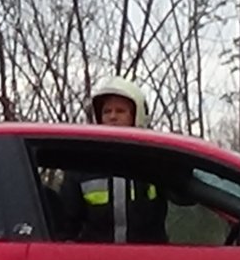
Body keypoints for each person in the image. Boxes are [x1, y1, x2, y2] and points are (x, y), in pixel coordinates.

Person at [56, 76, 170, 244]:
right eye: (107, 111)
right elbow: (67, 222)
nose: (113, 117)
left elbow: (184, 198)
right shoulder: (82, 165)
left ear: (136, 116)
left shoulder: (153, 161)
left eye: (120, 111)